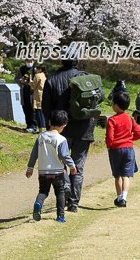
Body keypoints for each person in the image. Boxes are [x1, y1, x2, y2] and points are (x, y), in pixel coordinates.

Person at [41, 56, 95, 212]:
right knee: (78, 166)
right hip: (84, 128)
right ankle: (73, 203)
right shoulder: (86, 78)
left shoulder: (52, 80)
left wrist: (50, 128)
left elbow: (46, 108)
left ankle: (65, 186)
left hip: (61, 129)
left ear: (61, 62)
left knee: (59, 164)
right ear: (77, 62)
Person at [25, 110, 77, 223]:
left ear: (49, 122)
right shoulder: (61, 139)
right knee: (60, 193)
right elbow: (64, 155)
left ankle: (38, 203)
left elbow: (34, 154)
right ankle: (60, 216)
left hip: (43, 172)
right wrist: (72, 166)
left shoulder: (40, 137)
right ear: (64, 126)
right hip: (58, 172)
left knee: (43, 191)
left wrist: (30, 168)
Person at [106, 92, 140, 207]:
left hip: (116, 149)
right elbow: (139, 133)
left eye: (112, 103)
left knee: (117, 176)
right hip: (129, 149)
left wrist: (109, 145)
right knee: (126, 175)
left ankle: (118, 198)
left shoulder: (112, 120)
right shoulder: (130, 118)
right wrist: (130, 139)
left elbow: (109, 137)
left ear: (116, 105)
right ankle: (124, 197)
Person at [16, 59, 38, 133]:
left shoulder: (36, 69)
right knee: (25, 108)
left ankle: (34, 126)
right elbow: (16, 78)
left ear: (33, 61)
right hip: (24, 91)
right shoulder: (22, 69)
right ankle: (28, 125)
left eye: (30, 61)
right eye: (27, 61)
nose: (29, 63)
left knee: (32, 110)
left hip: (33, 92)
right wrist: (20, 81)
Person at [30, 65, 47, 131]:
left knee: (38, 112)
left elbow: (33, 86)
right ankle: (44, 128)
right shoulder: (43, 75)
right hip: (43, 94)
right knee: (42, 111)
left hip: (38, 95)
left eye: (37, 68)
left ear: (40, 69)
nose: (35, 69)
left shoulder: (37, 75)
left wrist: (30, 81)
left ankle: (40, 129)